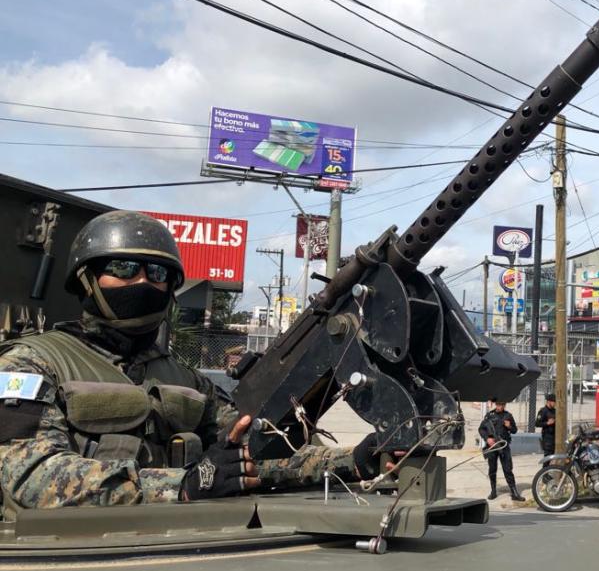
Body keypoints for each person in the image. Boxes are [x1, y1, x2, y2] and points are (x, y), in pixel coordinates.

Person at [0, 211, 373, 515]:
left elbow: (254, 456)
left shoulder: (189, 382)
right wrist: (181, 486)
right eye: (124, 268)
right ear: (87, 279)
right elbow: (29, 476)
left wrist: (356, 460)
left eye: (157, 273)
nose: (143, 281)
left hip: (177, 549)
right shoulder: (29, 364)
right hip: (63, 557)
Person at [478, 399, 523, 501]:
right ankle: (493, 491)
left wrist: (509, 426)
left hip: (504, 446)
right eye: (498, 404)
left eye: (502, 405)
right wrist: (487, 439)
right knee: (492, 469)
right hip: (492, 446)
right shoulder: (489, 415)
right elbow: (481, 429)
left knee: (508, 469)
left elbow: (515, 430)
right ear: (495, 404)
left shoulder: (508, 415)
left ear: (505, 405)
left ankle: (514, 493)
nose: (500, 407)